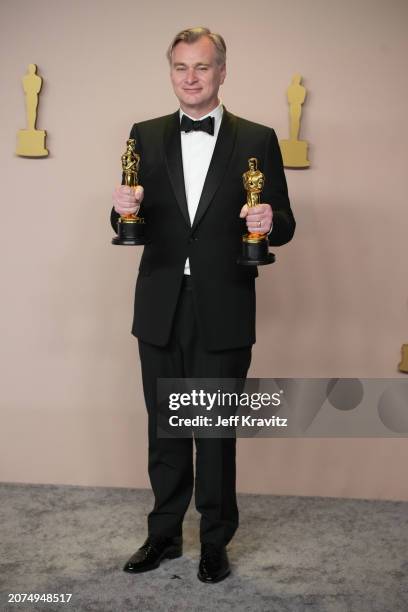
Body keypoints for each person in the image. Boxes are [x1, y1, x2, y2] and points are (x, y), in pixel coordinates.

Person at [110, 26, 295, 583]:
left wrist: (268, 222)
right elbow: (127, 219)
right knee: (165, 429)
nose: (191, 78)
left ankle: (215, 541)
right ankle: (163, 536)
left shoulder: (258, 138)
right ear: (171, 71)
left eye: (202, 67)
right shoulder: (143, 134)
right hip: (160, 303)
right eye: (180, 67)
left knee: (214, 432)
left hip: (225, 305)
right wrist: (120, 209)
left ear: (221, 72)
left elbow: (282, 222)